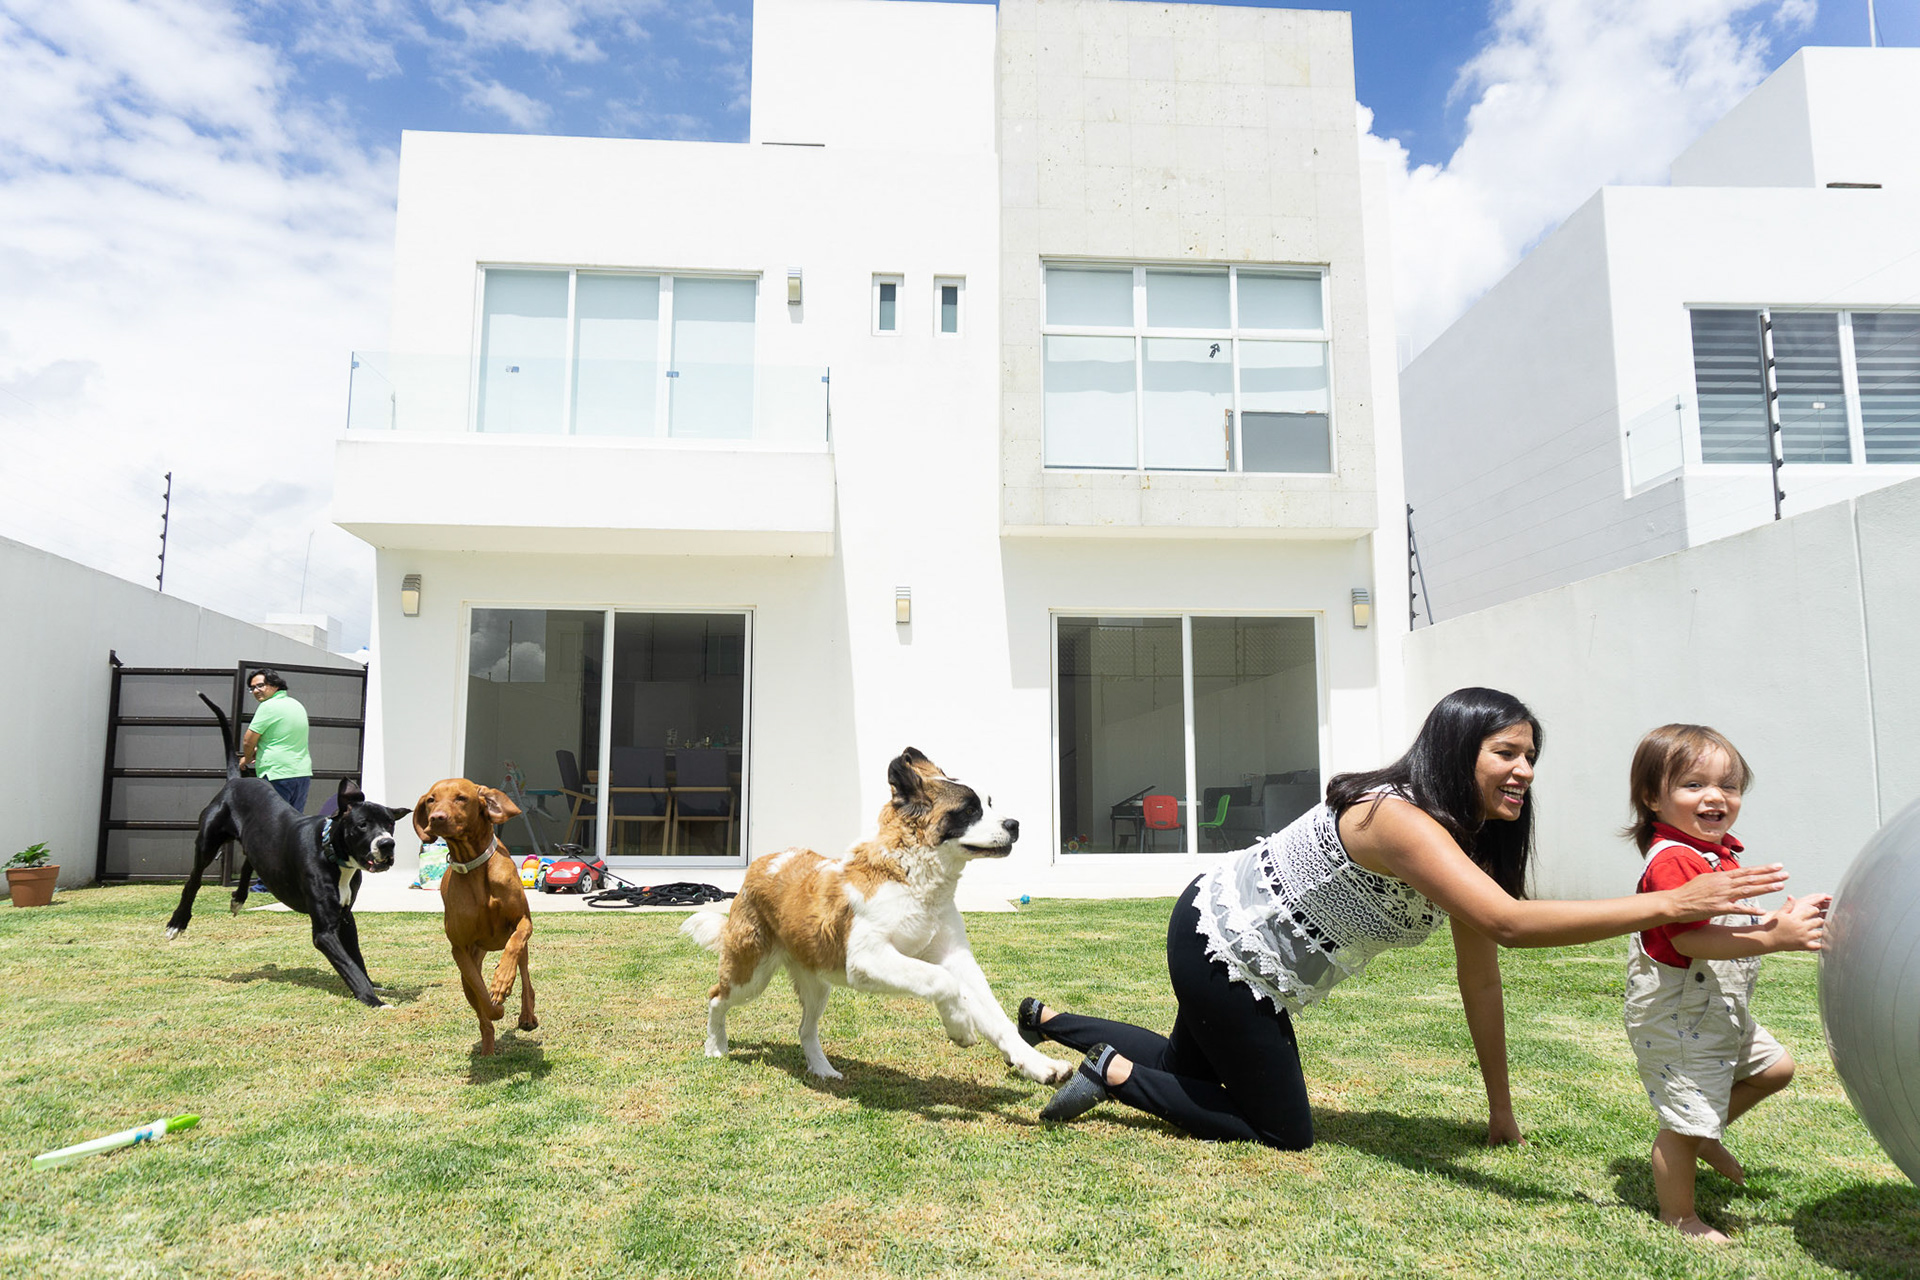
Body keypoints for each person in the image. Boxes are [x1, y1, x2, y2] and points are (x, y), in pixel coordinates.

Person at [1020, 687, 1790, 1151]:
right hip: (1225, 941)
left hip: (1228, 943)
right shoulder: (1400, 819)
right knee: (1282, 1129)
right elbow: (1514, 925)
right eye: (1507, 752)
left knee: (1193, 1074)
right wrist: (1670, 903)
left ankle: (1049, 1020)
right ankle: (1113, 1074)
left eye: (1531, 756)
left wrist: (1499, 1108)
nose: (1524, 770)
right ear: (1459, 749)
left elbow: (1482, 970)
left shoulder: (1469, 839)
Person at [1621, 724, 1828, 1242]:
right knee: (1682, 1124)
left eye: (1729, 786)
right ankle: (1680, 1216)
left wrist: (1776, 920)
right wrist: (1773, 939)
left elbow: (1727, 925)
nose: (1716, 796)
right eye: (1693, 785)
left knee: (1775, 1069)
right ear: (1652, 798)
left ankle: (1706, 1132)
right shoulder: (1673, 860)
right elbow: (1691, 941)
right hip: (1680, 1012)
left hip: (1719, 1008)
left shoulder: (1716, 853)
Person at [239, 669, 313, 813]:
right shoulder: (296, 704)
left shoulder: (268, 706)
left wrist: (246, 758)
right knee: (294, 823)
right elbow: (282, 738)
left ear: (275, 685)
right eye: (252, 688)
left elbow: (248, 741)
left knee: (273, 823)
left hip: (277, 773)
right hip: (301, 774)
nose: (256, 690)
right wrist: (259, 750)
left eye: (260, 685)